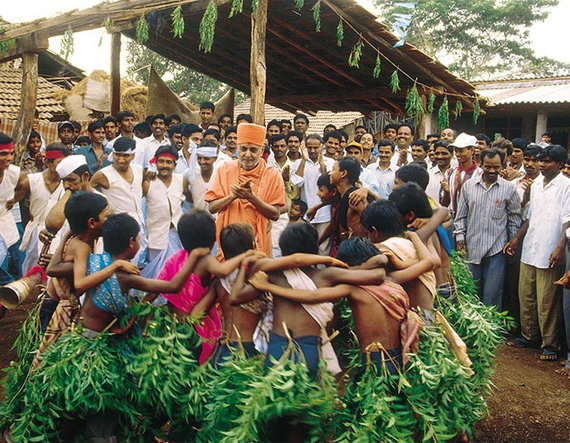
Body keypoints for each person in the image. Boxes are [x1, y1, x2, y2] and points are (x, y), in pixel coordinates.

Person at [248, 230, 435, 374]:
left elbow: (312, 296)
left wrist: (269, 287)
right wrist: (403, 244)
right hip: (398, 355)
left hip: (371, 359)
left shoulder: (349, 289)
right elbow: (427, 262)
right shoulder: (391, 280)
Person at [156, 210, 257, 364]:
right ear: (212, 239)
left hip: (176, 325)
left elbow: (159, 288)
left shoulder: (176, 258)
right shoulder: (207, 260)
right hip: (206, 331)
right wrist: (246, 256)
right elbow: (223, 271)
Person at [504, 145, 570, 361]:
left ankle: (550, 344)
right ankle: (529, 336)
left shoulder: (566, 186)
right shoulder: (536, 184)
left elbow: (567, 221)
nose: (542, 165)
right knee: (527, 296)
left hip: (550, 249)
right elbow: (529, 217)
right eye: (541, 160)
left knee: (547, 301)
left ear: (560, 164)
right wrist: (516, 238)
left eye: (547, 161)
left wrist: (560, 247)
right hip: (530, 247)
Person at [190, 223, 267, 367]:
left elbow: (195, 315)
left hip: (223, 350)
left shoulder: (219, 282)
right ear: (252, 246)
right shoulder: (257, 278)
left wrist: (214, 333)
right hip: (248, 351)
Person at [454, 149, 522, 310]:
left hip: (497, 249)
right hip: (471, 247)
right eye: (488, 166)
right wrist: (460, 239)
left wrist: (512, 243)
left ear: (502, 165)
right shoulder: (469, 186)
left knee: (492, 296)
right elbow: (460, 216)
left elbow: (514, 218)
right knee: (471, 295)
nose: (492, 171)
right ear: (480, 164)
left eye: (496, 167)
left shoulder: (509, 188)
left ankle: (492, 324)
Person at [205, 123, 286, 257]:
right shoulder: (224, 169)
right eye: (243, 149)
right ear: (237, 148)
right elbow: (212, 208)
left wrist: (251, 198)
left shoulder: (272, 174)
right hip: (228, 243)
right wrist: (233, 196)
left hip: (258, 243)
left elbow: (275, 214)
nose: (247, 154)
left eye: (253, 150)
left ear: (261, 151)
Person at [10, 144, 66, 274]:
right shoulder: (31, 181)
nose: (63, 167)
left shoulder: (69, 182)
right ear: (48, 162)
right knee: (32, 271)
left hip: (61, 233)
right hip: (36, 233)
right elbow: (12, 202)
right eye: (59, 163)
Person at [91, 137, 145, 262]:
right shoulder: (103, 174)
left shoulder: (139, 170)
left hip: (138, 225)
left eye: (125, 156)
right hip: (116, 229)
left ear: (133, 156)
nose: (120, 159)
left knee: (136, 264)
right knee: (114, 263)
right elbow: (88, 190)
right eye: (117, 155)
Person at [143, 145, 190, 264]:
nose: (164, 165)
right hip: (156, 238)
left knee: (178, 269)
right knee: (157, 271)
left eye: (169, 162)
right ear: (155, 163)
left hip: (178, 236)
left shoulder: (181, 180)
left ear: (175, 165)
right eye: (161, 161)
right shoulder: (148, 182)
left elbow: (187, 201)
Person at [293, 133, 334, 255]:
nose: (312, 151)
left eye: (315, 148)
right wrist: (303, 161)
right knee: (306, 248)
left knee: (323, 249)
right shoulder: (298, 163)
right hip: (306, 213)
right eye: (309, 147)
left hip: (325, 213)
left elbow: (330, 185)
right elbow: (297, 183)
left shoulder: (330, 162)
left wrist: (322, 166)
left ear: (322, 146)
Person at [441, 132, 482, 213]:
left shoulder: (480, 174)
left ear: (472, 150)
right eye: (456, 151)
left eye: (461, 151)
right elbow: (444, 203)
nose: (457, 154)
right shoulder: (450, 173)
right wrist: (447, 192)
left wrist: (462, 188)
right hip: (453, 216)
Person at [0, 133, 21, 286]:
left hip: (6, 222)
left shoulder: (14, 173)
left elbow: (26, 187)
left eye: (11, 153)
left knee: (15, 263)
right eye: (3, 154)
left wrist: (14, 199)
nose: (9, 158)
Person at [186, 141, 218, 212]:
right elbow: (184, 190)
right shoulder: (191, 173)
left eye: (206, 159)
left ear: (215, 158)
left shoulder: (220, 174)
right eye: (199, 158)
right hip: (197, 216)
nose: (202, 162)